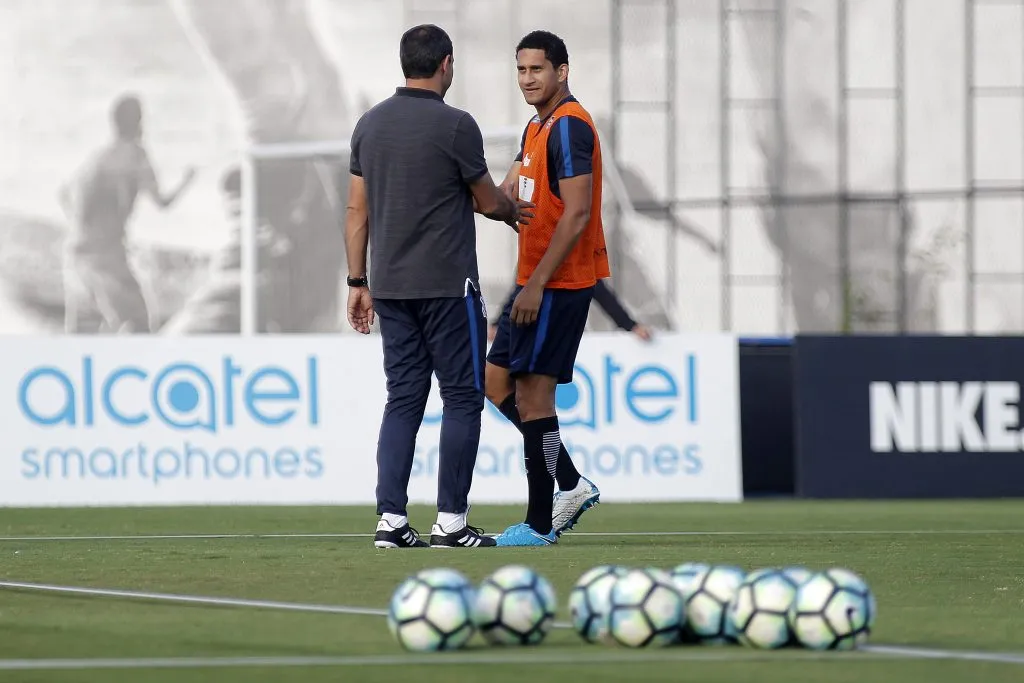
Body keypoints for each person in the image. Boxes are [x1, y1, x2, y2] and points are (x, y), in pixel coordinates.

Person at [345, 24, 530, 549]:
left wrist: (357, 281)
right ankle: (451, 522)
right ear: (446, 63)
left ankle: (390, 521)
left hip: (390, 286)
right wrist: (512, 208)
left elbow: (357, 210)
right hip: (449, 286)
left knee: (403, 399)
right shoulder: (456, 125)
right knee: (463, 397)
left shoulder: (369, 125)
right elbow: (487, 201)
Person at [484, 30, 609, 547]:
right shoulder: (536, 126)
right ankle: (571, 482)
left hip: (556, 284)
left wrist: (535, 285)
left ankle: (538, 526)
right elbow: (505, 195)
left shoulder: (570, 126)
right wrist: (465, 181)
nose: (527, 79)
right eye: (520, 70)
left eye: (536, 69)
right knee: (495, 382)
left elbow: (577, 213)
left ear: (562, 71)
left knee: (535, 402)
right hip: (532, 282)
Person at [59, 94, 196, 334]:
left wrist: (85, 225)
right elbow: (163, 203)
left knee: (85, 330)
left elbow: (63, 194)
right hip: (108, 255)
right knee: (139, 323)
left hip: (76, 253)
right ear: (139, 122)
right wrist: (187, 180)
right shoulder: (136, 156)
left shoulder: (99, 156)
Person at [489, 277, 653, 342]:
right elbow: (520, 292)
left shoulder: (577, 253)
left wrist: (630, 325)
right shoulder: (537, 248)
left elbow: (600, 291)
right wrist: (499, 324)